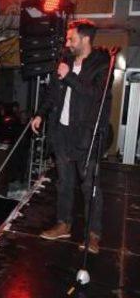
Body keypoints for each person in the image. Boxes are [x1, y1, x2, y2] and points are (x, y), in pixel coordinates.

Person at [31, 19, 111, 254]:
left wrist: (69, 77)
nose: (68, 42)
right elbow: (53, 93)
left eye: (71, 38)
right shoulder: (64, 62)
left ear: (85, 39)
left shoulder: (102, 63)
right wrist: (40, 114)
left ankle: (93, 235)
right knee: (64, 183)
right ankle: (63, 224)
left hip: (87, 135)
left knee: (90, 187)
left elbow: (96, 94)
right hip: (62, 133)